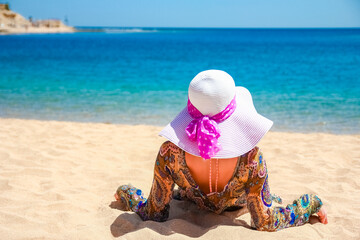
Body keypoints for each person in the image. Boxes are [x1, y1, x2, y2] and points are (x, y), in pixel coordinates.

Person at [114, 70, 328, 231]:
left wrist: (127, 192)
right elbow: (265, 221)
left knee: (180, 193)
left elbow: (154, 212)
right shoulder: (251, 158)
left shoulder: (169, 153)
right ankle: (270, 197)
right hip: (239, 202)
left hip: (190, 198)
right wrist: (310, 203)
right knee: (267, 198)